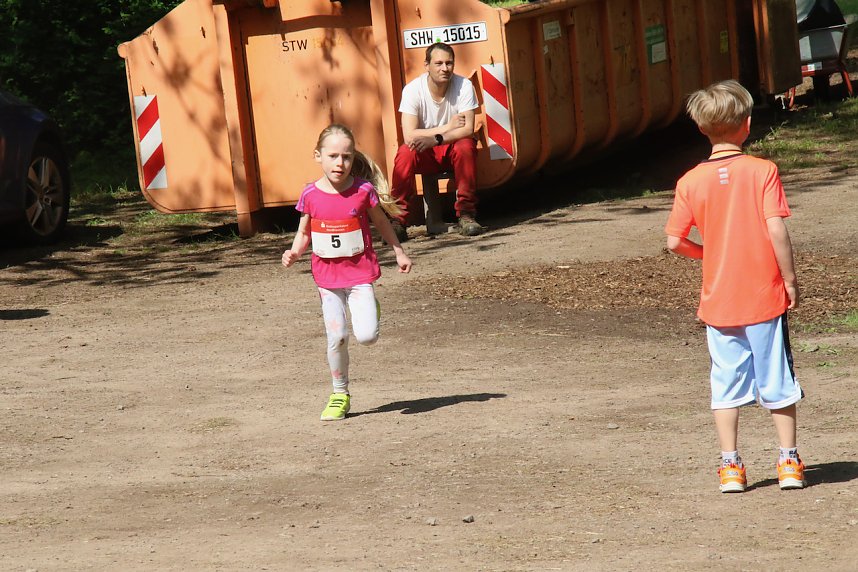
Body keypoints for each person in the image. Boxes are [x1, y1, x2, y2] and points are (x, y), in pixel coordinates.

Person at [665, 80, 806, 493]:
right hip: (764, 295)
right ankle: (789, 463)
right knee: (777, 378)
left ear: (702, 129)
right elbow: (776, 229)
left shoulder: (690, 181)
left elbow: (674, 241)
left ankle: (730, 467)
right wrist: (790, 279)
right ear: (746, 125)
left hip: (718, 301)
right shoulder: (763, 170)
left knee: (725, 383)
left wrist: (707, 255)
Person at [282, 124, 412, 421]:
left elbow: (381, 223)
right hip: (328, 280)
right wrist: (294, 252)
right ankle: (340, 393)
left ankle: (371, 309)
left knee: (367, 337)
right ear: (318, 156)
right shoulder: (311, 195)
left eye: (346, 157)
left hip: (359, 276)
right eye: (333, 156)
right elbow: (304, 232)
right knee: (337, 336)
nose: (339, 163)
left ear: (353, 159)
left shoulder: (362, 192)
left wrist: (398, 251)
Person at [389, 42, 483, 240]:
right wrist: (446, 128)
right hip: (427, 151)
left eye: (449, 63)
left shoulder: (464, 85)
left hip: (451, 149)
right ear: (427, 65)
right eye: (438, 63)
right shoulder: (413, 90)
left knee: (466, 145)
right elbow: (410, 136)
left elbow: (466, 130)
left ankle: (466, 215)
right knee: (406, 152)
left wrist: (436, 138)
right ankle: (397, 220)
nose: (444, 68)